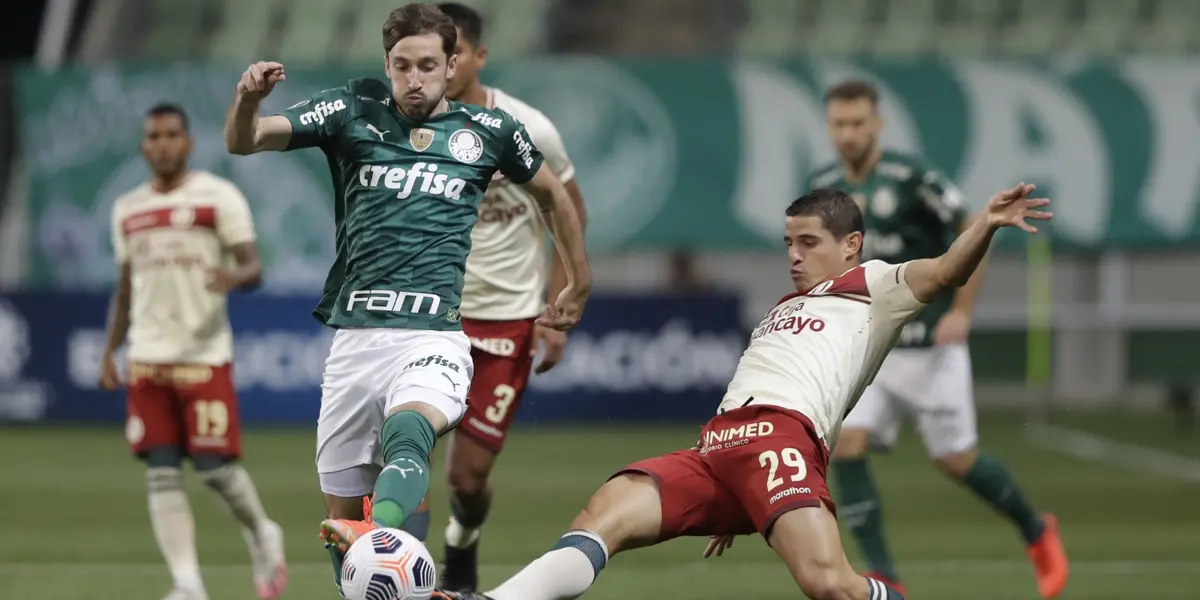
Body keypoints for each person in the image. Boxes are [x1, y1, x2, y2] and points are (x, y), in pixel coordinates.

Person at [432, 183, 1053, 600]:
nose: (794, 255)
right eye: (788, 242)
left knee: (830, 585)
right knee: (604, 514)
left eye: (809, 242)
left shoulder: (875, 288)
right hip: (718, 449)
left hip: (779, 439)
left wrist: (986, 225)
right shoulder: (786, 307)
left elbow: (946, 271)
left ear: (852, 245)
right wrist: (738, 490)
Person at [221, 2, 591, 594]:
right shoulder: (350, 110)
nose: (413, 79)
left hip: (435, 333)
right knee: (340, 523)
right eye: (401, 66)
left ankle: (387, 528)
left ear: (452, 66)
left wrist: (578, 278)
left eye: (426, 65)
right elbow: (247, 141)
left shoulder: (490, 133)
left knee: (410, 431)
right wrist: (247, 99)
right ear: (387, 65)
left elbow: (552, 194)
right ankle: (371, 548)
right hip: (354, 342)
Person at [807, 80, 1068, 598]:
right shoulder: (823, 186)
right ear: (829, 127)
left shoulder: (913, 178)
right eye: (839, 124)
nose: (849, 134)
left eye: (859, 123)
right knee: (848, 445)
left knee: (956, 460)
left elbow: (976, 227)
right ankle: (884, 575)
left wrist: (962, 311)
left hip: (930, 345)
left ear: (877, 124)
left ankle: (1037, 530)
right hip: (869, 348)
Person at [390, 3, 589, 591]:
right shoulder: (406, 126)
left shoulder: (528, 128)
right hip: (428, 315)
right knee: (410, 451)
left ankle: (463, 540)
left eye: (449, 58)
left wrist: (561, 302)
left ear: (474, 57)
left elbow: (568, 208)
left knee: (467, 480)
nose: (437, 72)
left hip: (506, 319)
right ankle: (413, 581)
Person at [100, 103, 287, 600]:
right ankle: (187, 584)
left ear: (187, 143)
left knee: (215, 469)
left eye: (171, 134)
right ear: (144, 146)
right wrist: (109, 351)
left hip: (202, 355)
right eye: (153, 135)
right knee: (160, 471)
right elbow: (124, 289)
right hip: (147, 358)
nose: (161, 143)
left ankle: (263, 531)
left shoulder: (217, 197)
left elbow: (254, 267)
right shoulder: (128, 209)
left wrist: (232, 276)